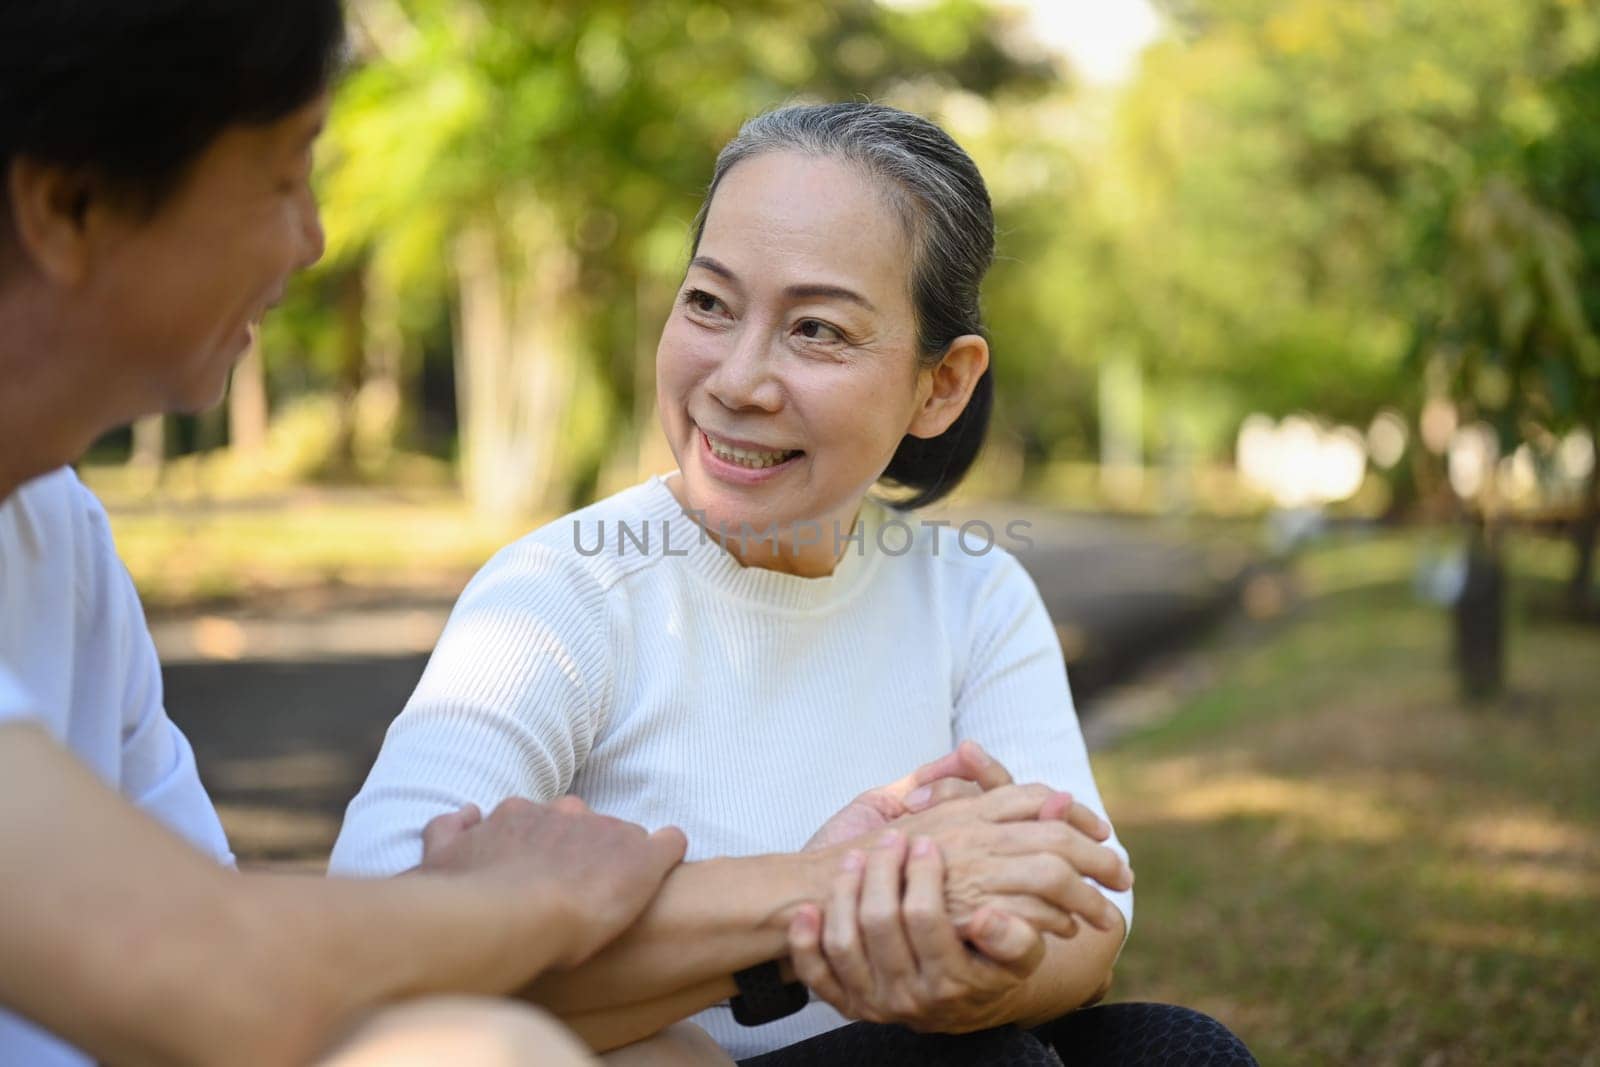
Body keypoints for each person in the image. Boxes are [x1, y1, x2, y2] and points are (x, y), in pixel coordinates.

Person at [331, 103, 1154, 1063]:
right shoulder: (563, 591)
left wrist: (971, 975)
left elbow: (1092, 916)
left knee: (1166, 1046)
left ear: (942, 386)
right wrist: (827, 897)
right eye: (709, 304)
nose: (736, 379)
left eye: (816, 329)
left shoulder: (974, 595)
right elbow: (379, 919)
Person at [0, 4, 691, 1064]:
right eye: (282, 177)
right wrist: (536, 894)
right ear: (70, 201)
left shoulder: (56, 528)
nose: (313, 238)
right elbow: (199, 967)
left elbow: (218, 928)